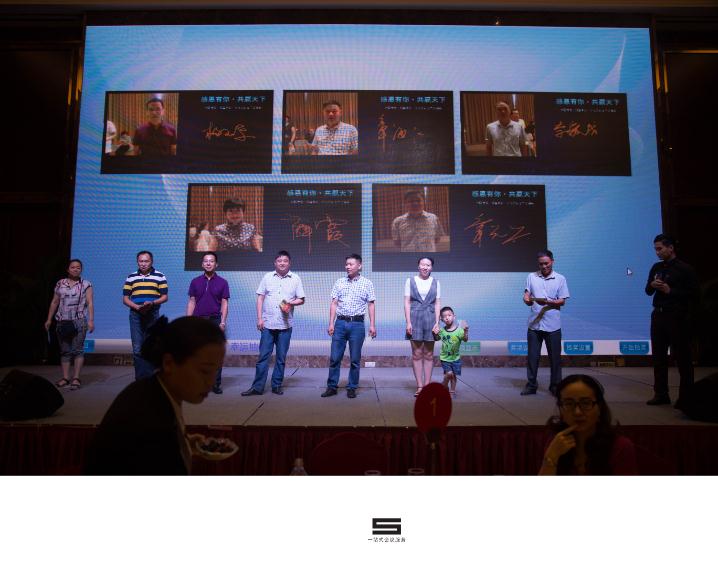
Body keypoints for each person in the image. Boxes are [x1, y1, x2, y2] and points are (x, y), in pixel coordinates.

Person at [84, 316, 226, 475]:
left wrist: (182, 443)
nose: (211, 382)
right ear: (169, 363)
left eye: (216, 371)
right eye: (205, 371)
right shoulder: (150, 420)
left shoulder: (155, 392)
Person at [539, 374, 638, 475]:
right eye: (569, 404)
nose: (577, 412)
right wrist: (551, 456)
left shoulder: (620, 447)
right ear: (560, 410)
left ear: (599, 408)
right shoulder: (556, 442)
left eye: (586, 403)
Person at [645, 234, 699, 408]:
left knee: (683, 358)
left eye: (660, 248)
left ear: (670, 248)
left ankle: (686, 397)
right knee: (658, 357)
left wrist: (670, 291)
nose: (657, 252)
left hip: (677, 316)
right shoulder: (656, 267)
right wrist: (652, 285)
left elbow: (694, 295)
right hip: (658, 315)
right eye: (655, 249)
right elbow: (647, 291)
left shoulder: (685, 269)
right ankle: (661, 394)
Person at [242, 250, 305, 396]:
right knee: (263, 357)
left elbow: (301, 299)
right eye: (279, 261)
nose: (282, 263)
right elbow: (260, 298)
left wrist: (290, 302)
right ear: (275, 263)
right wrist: (259, 318)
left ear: (289, 263)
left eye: (285, 261)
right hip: (268, 324)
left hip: (285, 325)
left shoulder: (295, 278)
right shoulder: (267, 277)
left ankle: (276, 385)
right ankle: (257, 387)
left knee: (281, 358)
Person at [322, 254, 376, 399]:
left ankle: (352, 387)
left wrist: (372, 325)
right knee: (335, 357)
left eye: (351, 264)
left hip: (357, 325)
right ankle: (332, 387)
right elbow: (334, 303)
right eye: (346, 264)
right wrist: (331, 323)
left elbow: (371, 304)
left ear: (359, 266)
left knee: (355, 359)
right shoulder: (339, 282)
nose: (347, 266)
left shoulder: (367, 283)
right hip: (340, 323)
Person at [522, 250, 570, 396]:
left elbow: (562, 300)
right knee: (532, 358)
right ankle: (531, 385)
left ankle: (555, 386)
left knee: (555, 359)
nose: (544, 266)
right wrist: (526, 299)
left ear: (552, 262)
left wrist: (550, 302)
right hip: (534, 324)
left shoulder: (560, 279)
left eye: (546, 263)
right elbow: (526, 295)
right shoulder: (531, 277)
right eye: (541, 264)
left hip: (553, 325)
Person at [44, 259, 94, 390]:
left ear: (81, 270)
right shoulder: (60, 283)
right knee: (65, 351)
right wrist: (49, 319)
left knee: (78, 350)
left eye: (78, 267)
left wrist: (91, 320)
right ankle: (65, 378)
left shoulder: (86, 284)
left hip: (79, 321)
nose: (75, 269)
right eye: (73, 267)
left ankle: (76, 378)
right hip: (62, 321)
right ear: (68, 269)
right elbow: (55, 302)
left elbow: (90, 303)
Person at [186, 252, 230, 394]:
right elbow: (192, 301)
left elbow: (224, 303)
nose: (208, 263)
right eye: (206, 261)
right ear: (202, 264)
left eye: (211, 261)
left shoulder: (223, 282)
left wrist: (222, 322)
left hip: (215, 320)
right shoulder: (195, 281)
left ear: (216, 264)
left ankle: (215, 384)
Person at [123, 250, 169, 380]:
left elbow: (165, 297)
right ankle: (141, 379)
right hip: (135, 314)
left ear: (151, 262)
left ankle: (151, 377)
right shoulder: (131, 277)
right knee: (137, 348)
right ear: (137, 262)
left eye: (146, 261)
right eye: (141, 261)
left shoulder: (160, 276)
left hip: (152, 313)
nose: (143, 264)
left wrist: (152, 303)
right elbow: (125, 299)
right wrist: (136, 307)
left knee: (151, 347)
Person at [404, 257, 441, 396]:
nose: (425, 267)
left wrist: (437, 322)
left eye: (428, 265)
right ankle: (420, 386)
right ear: (418, 266)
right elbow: (407, 302)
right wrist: (408, 322)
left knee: (429, 354)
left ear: (431, 267)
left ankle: (427, 386)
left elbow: (437, 303)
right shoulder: (410, 281)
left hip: (431, 319)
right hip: (415, 318)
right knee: (417, 353)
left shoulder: (436, 282)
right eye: (423, 264)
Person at [436, 306, 469, 396]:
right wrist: (435, 332)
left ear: (454, 317)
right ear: (442, 320)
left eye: (449, 315)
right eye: (444, 316)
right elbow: (437, 338)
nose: (447, 318)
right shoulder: (442, 331)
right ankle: (444, 384)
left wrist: (466, 331)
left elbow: (465, 339)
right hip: (445, 358)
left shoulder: (459, 330)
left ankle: (452, 391)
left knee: (453, 376)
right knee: (449, 373)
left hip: (456, 358)